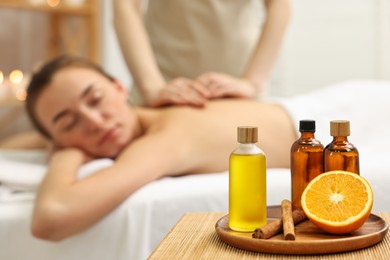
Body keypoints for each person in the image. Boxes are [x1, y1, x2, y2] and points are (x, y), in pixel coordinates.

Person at [21, 55, 296, 241]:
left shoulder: (163, 139)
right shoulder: (161, 116)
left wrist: (64, 154)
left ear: (119, 87)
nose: (95, 122)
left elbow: (52, 217)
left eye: (95, 99)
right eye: (69, 124)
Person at [113, 0, 291, 107]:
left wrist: (251, 83)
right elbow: (125, 5)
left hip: (240, 91)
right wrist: (151, 88)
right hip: (162, 89)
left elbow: (279, 4)